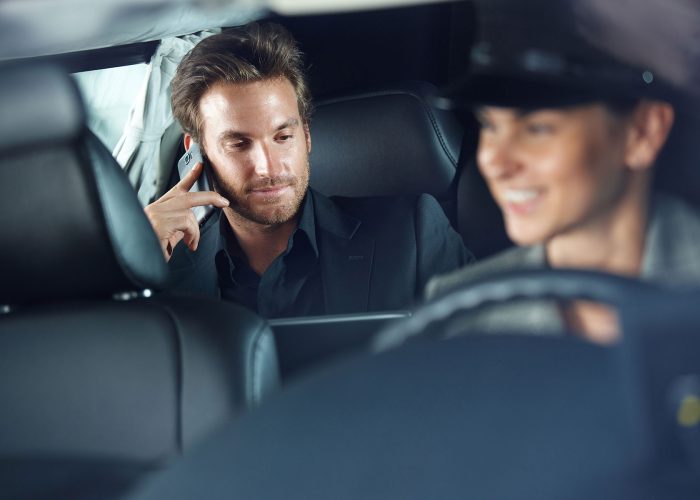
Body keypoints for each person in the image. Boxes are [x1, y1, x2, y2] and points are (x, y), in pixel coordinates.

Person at [145, 22, 472, 319]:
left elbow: (484, 353)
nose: (268, 167)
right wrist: (131, 259)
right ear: (197, 151)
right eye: (239, 144)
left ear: (306, 136)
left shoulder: (413, 233)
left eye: (283, 137)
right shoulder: (165, 266)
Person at [424, 0, 700, 343]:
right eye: (490, 125)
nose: (493, 162)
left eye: (537, 129)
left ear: (643, 131)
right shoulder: (458, 315)